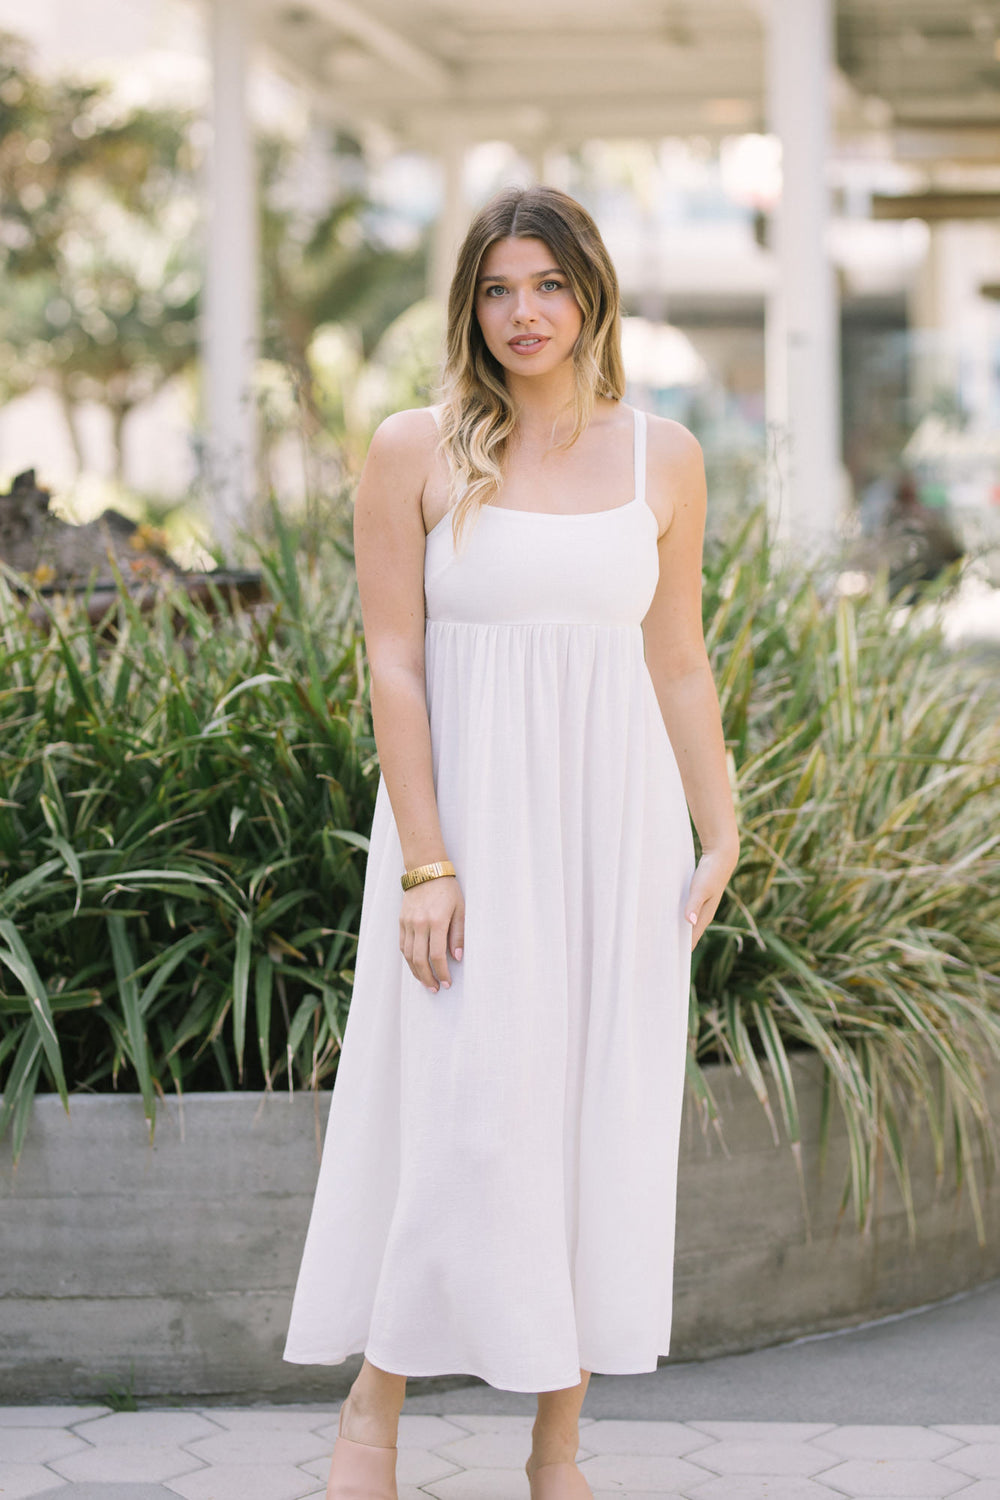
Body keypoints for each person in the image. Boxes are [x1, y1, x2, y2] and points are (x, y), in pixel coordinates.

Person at [283, 184, 740, 1500]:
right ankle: (374, 1412)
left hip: (616, 834)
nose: (522, 312)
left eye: (546, 284)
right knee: (464, 1118)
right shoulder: (412, 449)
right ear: (468, 307)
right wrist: (427, 862)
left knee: (589, 1120)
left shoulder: (665, 458)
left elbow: (679, 661)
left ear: (591, 295)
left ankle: (558, 1450)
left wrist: (721, 825)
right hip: (465, 839)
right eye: (497, 288)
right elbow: (395, 663)